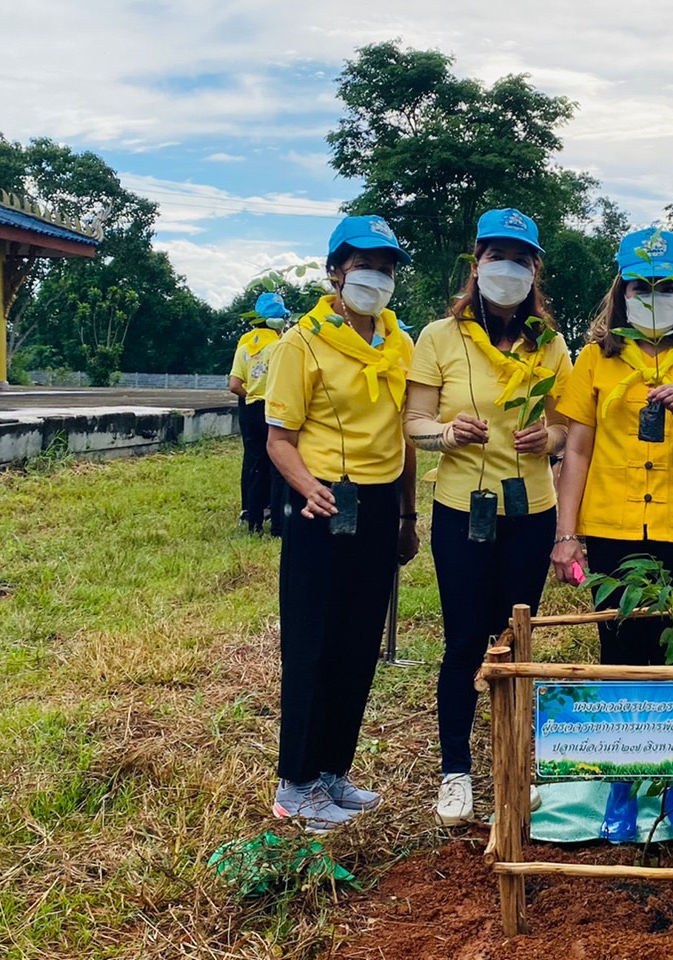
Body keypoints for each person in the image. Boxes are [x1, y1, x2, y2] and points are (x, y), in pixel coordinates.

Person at [550, 228, 673, 843]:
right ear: (621, 291)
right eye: (640, 285)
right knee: (619, 652)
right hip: (611, 528)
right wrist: (566, 534)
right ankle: (619, 785)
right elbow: (576, 451)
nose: (652, 296)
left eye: (665, 287)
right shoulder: (595, 360)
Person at [403, 208, 571, 826]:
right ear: (476, 266)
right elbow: (413, 423)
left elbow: (568, 431)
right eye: (497, 256)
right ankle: (455, 772)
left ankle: (516, 766)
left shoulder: (551, 345)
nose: (508, 269)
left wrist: (546, 441)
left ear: (534, 271)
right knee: (465, 640)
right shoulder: (437, 338)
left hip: (530, 513)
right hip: (461, 512)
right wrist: (446, 433)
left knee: (516, 640)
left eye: (521, 259)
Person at [264, 215, 420, 828]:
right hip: (322, 504)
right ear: (336, 271)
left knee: (359, 642)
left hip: (380, 504)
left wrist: (409, 516)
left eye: (385, 267)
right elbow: (279, 439)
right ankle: (294, 781)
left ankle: (333, 773)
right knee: (313, 643)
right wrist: (309, 487)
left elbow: (405, 439)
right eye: (363, 265)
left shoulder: (399, 344)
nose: (375, 278)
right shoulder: (300, 345)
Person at [229, 292, 290, 535]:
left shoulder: (244, 344)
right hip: (275, 409)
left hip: (250, 408)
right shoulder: (282, 345)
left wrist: (252, 395)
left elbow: (234, 385)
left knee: (254, 462)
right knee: (279, 465)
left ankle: (252, 520)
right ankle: (278, 524)